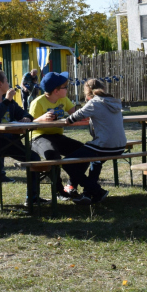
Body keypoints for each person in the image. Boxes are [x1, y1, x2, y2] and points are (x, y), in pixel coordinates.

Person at [28, 72, 95, 205]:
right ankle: (59, 191)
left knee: (85, 151)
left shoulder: (64, 99)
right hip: (37, 137)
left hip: (57, 136)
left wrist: (85, 114)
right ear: (56, 90)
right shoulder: (37, 102)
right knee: (53, 155)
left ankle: (70, 186)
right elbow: (28, 125)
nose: (67, 88)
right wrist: (41, 119)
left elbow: (75, 114)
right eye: (65, 86)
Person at [57, 78, 124, 203]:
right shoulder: (113, 101)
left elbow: (74, 117)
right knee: (96, 161)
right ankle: (89, 194)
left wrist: (66, 120)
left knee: (66, 162)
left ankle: (95, 189)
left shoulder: (94, 102)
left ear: (87, 93)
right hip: (120, 146)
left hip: (104, 145)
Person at [0, 70, 42, 199]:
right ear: (0, 84)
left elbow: (24, 113)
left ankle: (33, 197)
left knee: (34, 158)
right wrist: (7, 100)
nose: (9, 83)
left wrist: (27, 118)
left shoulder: (10, 103)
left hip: (10, 142)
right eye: (7, 81)